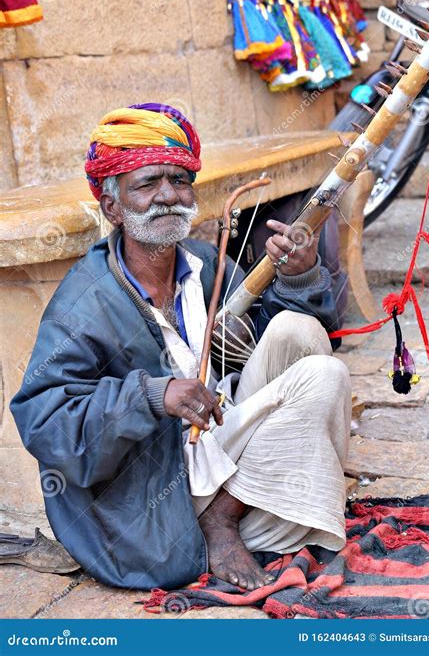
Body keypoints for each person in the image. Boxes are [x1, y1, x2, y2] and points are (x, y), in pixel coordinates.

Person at [11, 103, 351, 591]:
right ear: (112, 206)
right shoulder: (84, 302)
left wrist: (299, 277)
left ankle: (232, 512)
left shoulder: (203, 262)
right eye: (147, 184)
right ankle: (219, 526)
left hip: (217, 442)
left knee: (301, 334)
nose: (167, 195)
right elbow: (44, 421)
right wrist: (151, 396)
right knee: (326, 377)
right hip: (155, 495)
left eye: (179, 180)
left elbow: (261, 338)